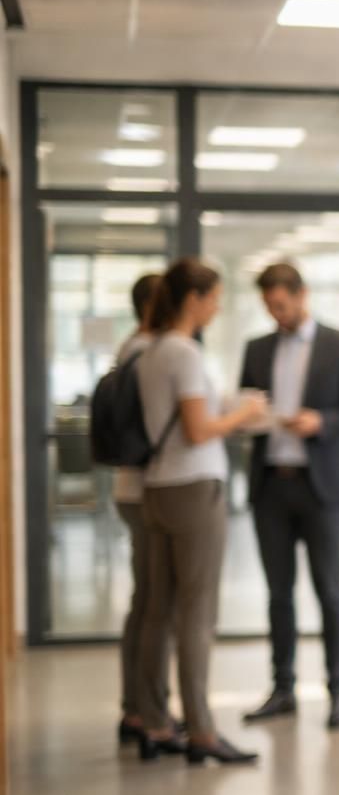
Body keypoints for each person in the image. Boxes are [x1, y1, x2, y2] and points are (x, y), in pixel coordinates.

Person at [135, 257, 269, 764]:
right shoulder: (185, 353)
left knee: (158, 610)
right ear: (194, 299)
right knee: (197, 613)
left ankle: (154, 720)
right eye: (214, 298)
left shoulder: (149, 351)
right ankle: (202, 732)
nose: (216, 308)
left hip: (157, 488)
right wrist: (244, 413)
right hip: (193, 489)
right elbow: (197, 430)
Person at [238, 263, 339, 732]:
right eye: (269, 307)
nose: (276, 315)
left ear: (302, 296)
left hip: (322, 486)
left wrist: (322, 422)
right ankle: (283, 688)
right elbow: (246, 404)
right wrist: (246, 414)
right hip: (270, 484)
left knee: (329, 591)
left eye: (281, 305)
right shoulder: (256, 349)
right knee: (279, 594)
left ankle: (338, 692)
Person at [113, 273, 170, 748]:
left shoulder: (132, 347)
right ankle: (149, 712)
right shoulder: (149, 351)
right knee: (155, 604)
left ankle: (136, 706)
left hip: (133, 487)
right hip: (146, 488)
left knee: (144, 601)